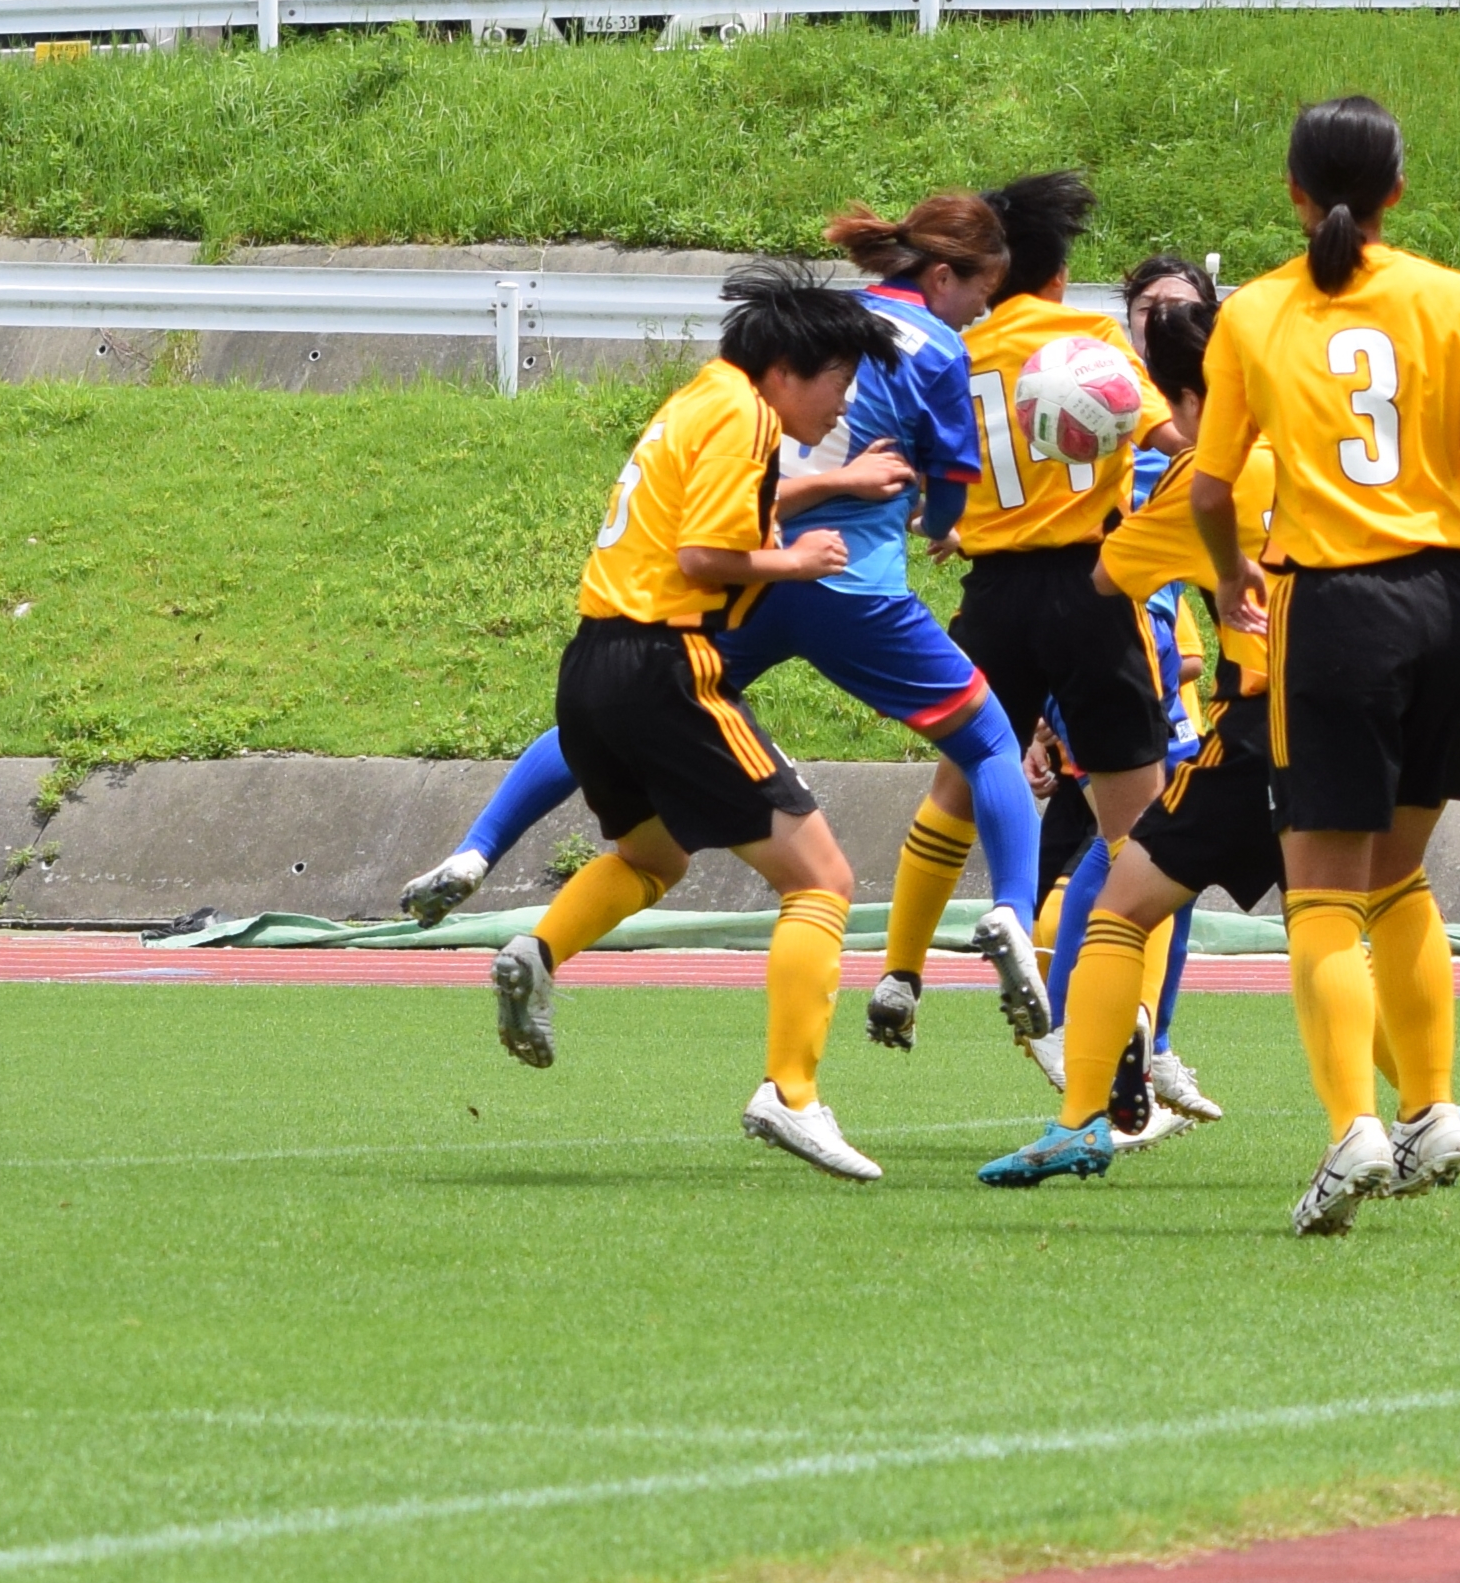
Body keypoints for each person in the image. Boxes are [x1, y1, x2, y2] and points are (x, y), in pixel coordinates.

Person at [399, 196, 1048, 1051]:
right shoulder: (925, 348)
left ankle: (481, 850)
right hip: (840, 584)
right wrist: (936, 523)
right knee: (981, 752)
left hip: (711, 599)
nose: (982, 311)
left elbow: (734, 504)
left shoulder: (771, 357)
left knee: (642, 789)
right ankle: (1005, 917)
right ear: (942, 276)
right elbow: (936, 497)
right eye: (983, 293)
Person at [1187, 95, 1460, 1235]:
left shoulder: (1253, 309)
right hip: (1445, 605)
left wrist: (1232, 570)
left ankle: (1352, 1122)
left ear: (1294, 194)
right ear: (1396, 190)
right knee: (1398, 874)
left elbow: (1209, 485)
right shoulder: (1448, 294)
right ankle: (1433, 1105)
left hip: (1333, 606)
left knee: (1320, 889)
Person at [487, 270, 898, 1180]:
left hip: (592, 665)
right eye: (840, 381)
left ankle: (539, 949)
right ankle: (791, 1095)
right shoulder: (748, 420)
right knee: (823, 879)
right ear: (791, 369)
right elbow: (704, 555)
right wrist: (796, 564)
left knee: (653, 858)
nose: (844, 403)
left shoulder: (701, 399)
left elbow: (704, 514)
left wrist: (825, 487)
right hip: (666, 669)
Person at [983, 293, 1276, 1186]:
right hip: (1376, 706)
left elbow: (1109, 577)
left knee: (1122, 894)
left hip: (1260, 728)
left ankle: (1086, 1101)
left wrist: (1119, 476)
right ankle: (1421, 1111)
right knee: (1360, 916)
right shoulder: (1313, 455)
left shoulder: (1205, 486)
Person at [929, 171, 1178, 1088]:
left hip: (992, 596)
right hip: (1092, 583)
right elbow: (1165, 440)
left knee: (957, 788)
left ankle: (905, 973)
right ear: (1063, 272)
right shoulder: (1090, 339)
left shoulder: (959, 348)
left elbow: (937, 482)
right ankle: (1132, 1028)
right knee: (1141, 833)